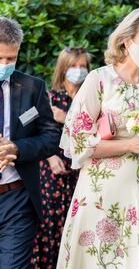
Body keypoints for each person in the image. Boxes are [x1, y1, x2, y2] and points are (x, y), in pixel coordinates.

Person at [56, 7, 139, 268]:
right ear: (127, 39)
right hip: (102, 195)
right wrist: (129, 145)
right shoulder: (99, 80)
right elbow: (77, 140)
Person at [0, 17, 60, 268]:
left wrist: (17, 148)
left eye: (11, 59)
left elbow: (51, 138)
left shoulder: (33, 87)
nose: (4, 64)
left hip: (17, 198)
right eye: (0, 58)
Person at [31, 46, 92, 268]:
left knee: (77, 227)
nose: (78, 71)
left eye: (83, 66)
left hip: (81, 175)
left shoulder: (92, 100)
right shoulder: (47, 98)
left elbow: (96, 133)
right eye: (73, 66)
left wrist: (65, 118)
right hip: (51, 177)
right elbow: (24, 125)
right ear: (62, 69)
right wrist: (48, 157)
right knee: (49, 226)